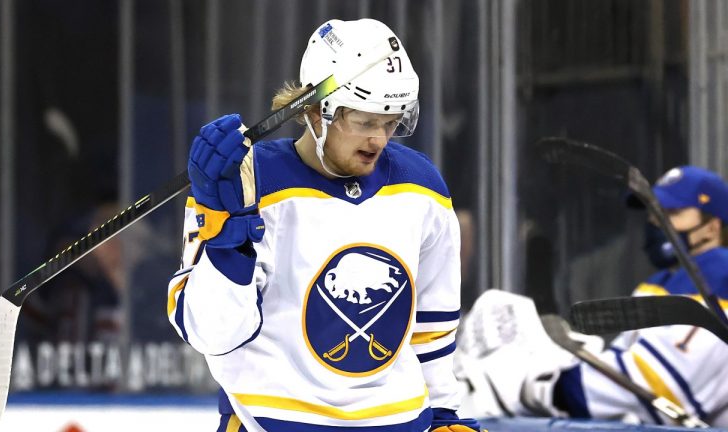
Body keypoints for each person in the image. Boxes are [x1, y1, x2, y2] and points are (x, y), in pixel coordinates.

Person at [167, 18, 482, 432]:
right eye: (365, 122)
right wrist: (226, 237)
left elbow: (431, 327)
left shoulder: (422, 188)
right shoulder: (245, 183)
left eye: (390, 122)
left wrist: (444, 415)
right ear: (315, 112)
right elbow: (212, 335)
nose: (379, 141)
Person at [455, 165, 728, 427]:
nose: (656, 222)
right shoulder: (670, 278)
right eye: (654, 213)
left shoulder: (717, 274)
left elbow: (653, 389)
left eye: (672, 212)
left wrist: (539, 386)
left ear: (712, 227)